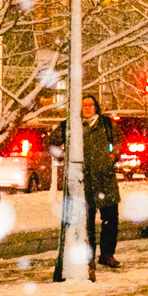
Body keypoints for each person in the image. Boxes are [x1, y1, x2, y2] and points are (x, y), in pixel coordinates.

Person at [53, 95, 120, 279]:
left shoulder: (106, 124)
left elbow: (119, 142)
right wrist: (62, 156)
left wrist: (113, 156)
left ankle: (107, 254)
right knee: (86, 222)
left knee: (110, 219)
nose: (87, 108)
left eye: (90, 105)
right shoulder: (71, 125)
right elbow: (50, 144)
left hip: (105, 179)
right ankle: (88, 257)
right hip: (83, 181)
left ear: (96, 107)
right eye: (84, 105)